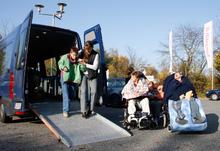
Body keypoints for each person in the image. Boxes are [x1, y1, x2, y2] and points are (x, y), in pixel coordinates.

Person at [58, 47, 86, 118]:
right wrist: (63, 67)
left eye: (76, 55)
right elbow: (59, 63)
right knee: (66, 95)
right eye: (73, 55)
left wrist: (83, 64)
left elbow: (83, 69)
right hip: (64, 78)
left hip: (72, 79)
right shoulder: (65, 57)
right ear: (70, 53)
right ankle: (65, 111)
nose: (74, 56)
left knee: (71, 95)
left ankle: (67, 106)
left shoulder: (78, 60)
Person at [79, 41, 100, 118]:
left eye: (89, 49)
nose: (87, 51)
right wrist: (80, 61)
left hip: (93, 75)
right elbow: (76, 59)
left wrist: (85, 64)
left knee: (94, 91)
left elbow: (95, 67)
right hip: (84, 74)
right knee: (84, 91)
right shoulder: (82, 52)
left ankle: (91, 109)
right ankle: (84, 110)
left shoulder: (96, 54)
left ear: (92, 48)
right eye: (86, 49)